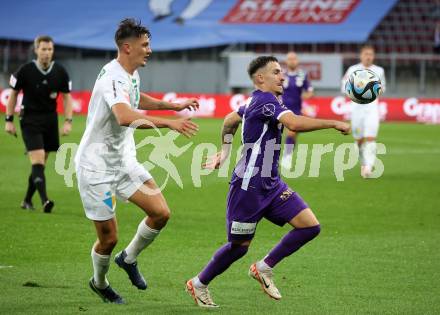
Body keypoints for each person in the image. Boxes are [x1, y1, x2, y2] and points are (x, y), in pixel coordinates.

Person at [185, 56, 350, 308]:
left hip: (272, 184)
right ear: (260, 78)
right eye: (276, 72)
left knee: (309, 226)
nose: (282, 76)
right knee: (239, 247)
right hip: (247, 188)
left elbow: (229, 121)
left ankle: (263, 267)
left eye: (281, 72)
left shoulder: (255, 100)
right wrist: (333, 122)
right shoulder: (264, 101)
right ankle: (198, 283)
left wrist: (225, 152)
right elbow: (293, 123)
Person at [75, 18, 199, 304]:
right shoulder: (112, 77)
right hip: (97, 169)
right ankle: (100, 282)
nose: (150, 50)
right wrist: (169, 123)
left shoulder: (128, 73)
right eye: (145, 45)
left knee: (160, 213)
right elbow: (124, 115)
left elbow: (134, 98)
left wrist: (172, 104)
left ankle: (128, 259)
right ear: (127, 47)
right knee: (108, 239)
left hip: (123, 161)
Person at [4, 35, 73, 213]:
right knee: (38, 159)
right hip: (29, 119)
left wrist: (68, 121)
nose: (47, 53)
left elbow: (67, 98)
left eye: (50, 49)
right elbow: (13, 94)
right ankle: (45, 201)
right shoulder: (25, 70)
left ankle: (27, 200)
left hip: (50, 120)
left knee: (40, 164)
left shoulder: (60, 71)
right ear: (36, 50)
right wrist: (9, 120)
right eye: (43, 49)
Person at [341, 45, 386, 178]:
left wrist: (372, 91)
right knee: (359, 140)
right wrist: (356, 91)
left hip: (372, 109)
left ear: (374, 56)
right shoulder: (353, 70)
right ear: (361, 55)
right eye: (366, 54)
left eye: (371, 54)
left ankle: (368, 167)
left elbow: (382, 88)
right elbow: (344, 87)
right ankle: (363, 163)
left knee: (371, 138)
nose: (368, 56)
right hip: (356, 110)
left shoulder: (379, 70)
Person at [280, 51, 314, 169]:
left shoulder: (302, 75)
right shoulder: (281, 74)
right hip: (281, 108)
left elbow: (309, 90)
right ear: (286, 61)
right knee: (278, 134)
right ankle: (280, 157)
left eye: (294, 59)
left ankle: (287, 156)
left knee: (292, 134)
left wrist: (307, 95)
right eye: (290, 59)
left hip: (296, 109)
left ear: (297, 61)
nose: (292, 61)